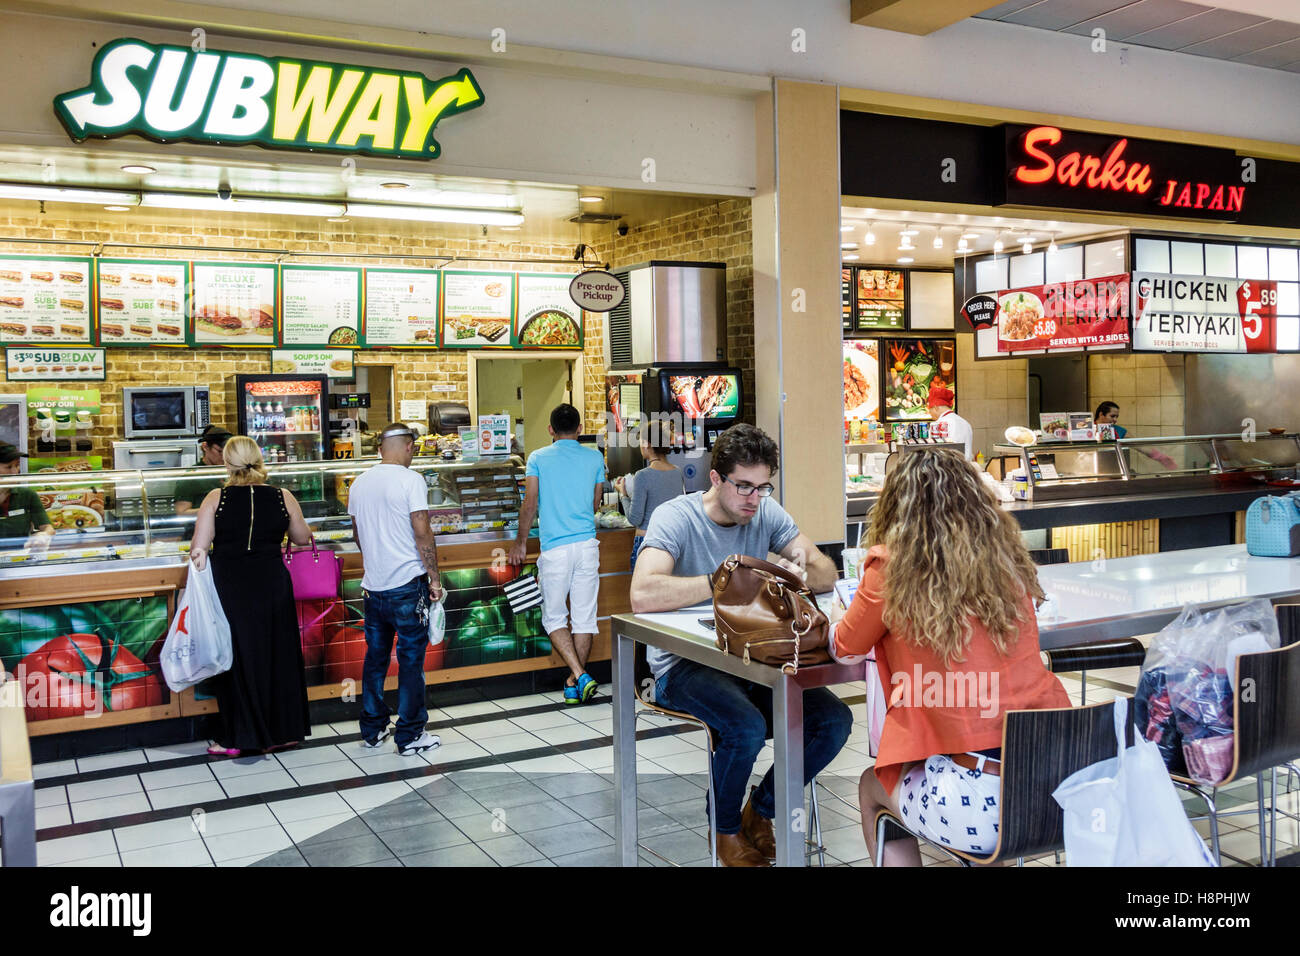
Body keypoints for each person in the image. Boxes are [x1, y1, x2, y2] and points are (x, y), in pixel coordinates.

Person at [829, 450, 1071, 866]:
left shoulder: (889, 568)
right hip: (1058, 791)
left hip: (978, 804)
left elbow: (845, 646)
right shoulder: (1008, 564)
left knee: (872, 787)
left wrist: (836, 615)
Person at [630, 423, 853, 866]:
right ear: (716, 479)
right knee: (745, 727)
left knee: (834, 721)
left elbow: (825, 571)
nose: (754, 499)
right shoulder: (677, 517)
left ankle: (761, 810)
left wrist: (800, 572)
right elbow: (642, 595)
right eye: (744, 487)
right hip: (683, 663)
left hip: (753, 658)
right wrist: (722, 581)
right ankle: (724, 828)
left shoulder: (766, 513)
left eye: (764, 487)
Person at [190, 436, 315, 756]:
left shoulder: (215, 498)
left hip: (230, 588)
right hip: (272, 584)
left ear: (227, 462)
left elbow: (199, 548)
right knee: (278, 655)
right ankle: (284, 732)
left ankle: (238, 738)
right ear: (259, 460)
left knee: (237, 660)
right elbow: (302, 538)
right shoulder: (281, 496)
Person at [347, 423, 444, 756]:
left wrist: (377, 558)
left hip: (373, 588)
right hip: (407, 586)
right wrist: (434, 577)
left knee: (375, 660)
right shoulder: (411, 480)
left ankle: (373, 730)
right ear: (408, 447)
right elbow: (422, 532)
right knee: (410, 662)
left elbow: (357, 534)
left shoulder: (359, 482)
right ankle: (411, 734)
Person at [509, 403, 607, 704]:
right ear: (580, 429)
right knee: (584, 619)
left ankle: (578, 675)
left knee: (553, 618)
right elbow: (595, 502)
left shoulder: (538, 458)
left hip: (555, 549)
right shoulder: (595, 456)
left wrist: (520, 542)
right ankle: (575, 683)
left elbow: (530, 503)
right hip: (588, 546)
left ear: (550, 430)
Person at [615, 426, 683, 572]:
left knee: (644, 594)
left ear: (646, 443)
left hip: (647, 543)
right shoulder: (678, 472)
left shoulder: (642, 475)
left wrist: (623, 494)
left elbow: (634, 518)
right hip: (672, 543)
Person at [0, 442, 52, 552]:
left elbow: (48, 528)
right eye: (8, 467)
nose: (15, 472)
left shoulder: (28, 495)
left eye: (17, 465)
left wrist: (43, 535)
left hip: (20, 559)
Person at [175, 425, 232, 516]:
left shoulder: (232, 474)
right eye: (220, 451)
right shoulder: (191, 477)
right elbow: (181, 513)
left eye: (228, 452)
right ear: (205, 446)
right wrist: (213, 509)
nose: (224, 457)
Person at [926, 384, 973, 459]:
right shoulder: (965, 423)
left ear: (936, 407)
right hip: (965, 468)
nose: (929, 412)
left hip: (946, 469)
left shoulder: (936, 425)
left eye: (930, 409)